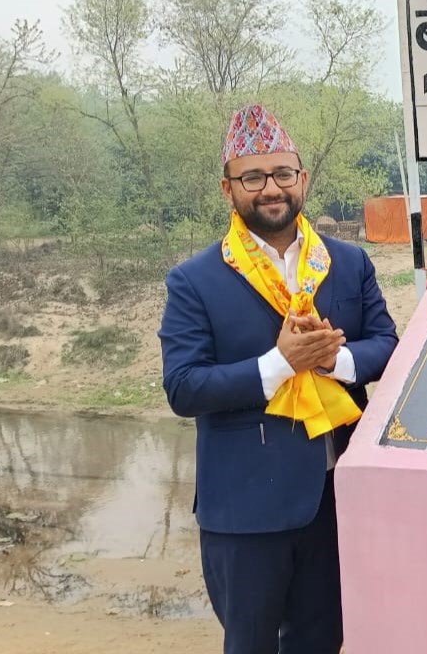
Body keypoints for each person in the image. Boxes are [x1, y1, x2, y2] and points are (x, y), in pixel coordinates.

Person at [159, 104, 400, 654]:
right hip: (245, 510)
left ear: (303, 179)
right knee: (250, 644)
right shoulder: (195, 280)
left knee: (324, 639)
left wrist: (329, 360)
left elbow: (386, 348)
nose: (271, 188)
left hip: (335, 500)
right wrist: (280, 363)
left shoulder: (347, 261)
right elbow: (185, 387)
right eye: (253, 177)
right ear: (229, 189)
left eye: (283, 174)